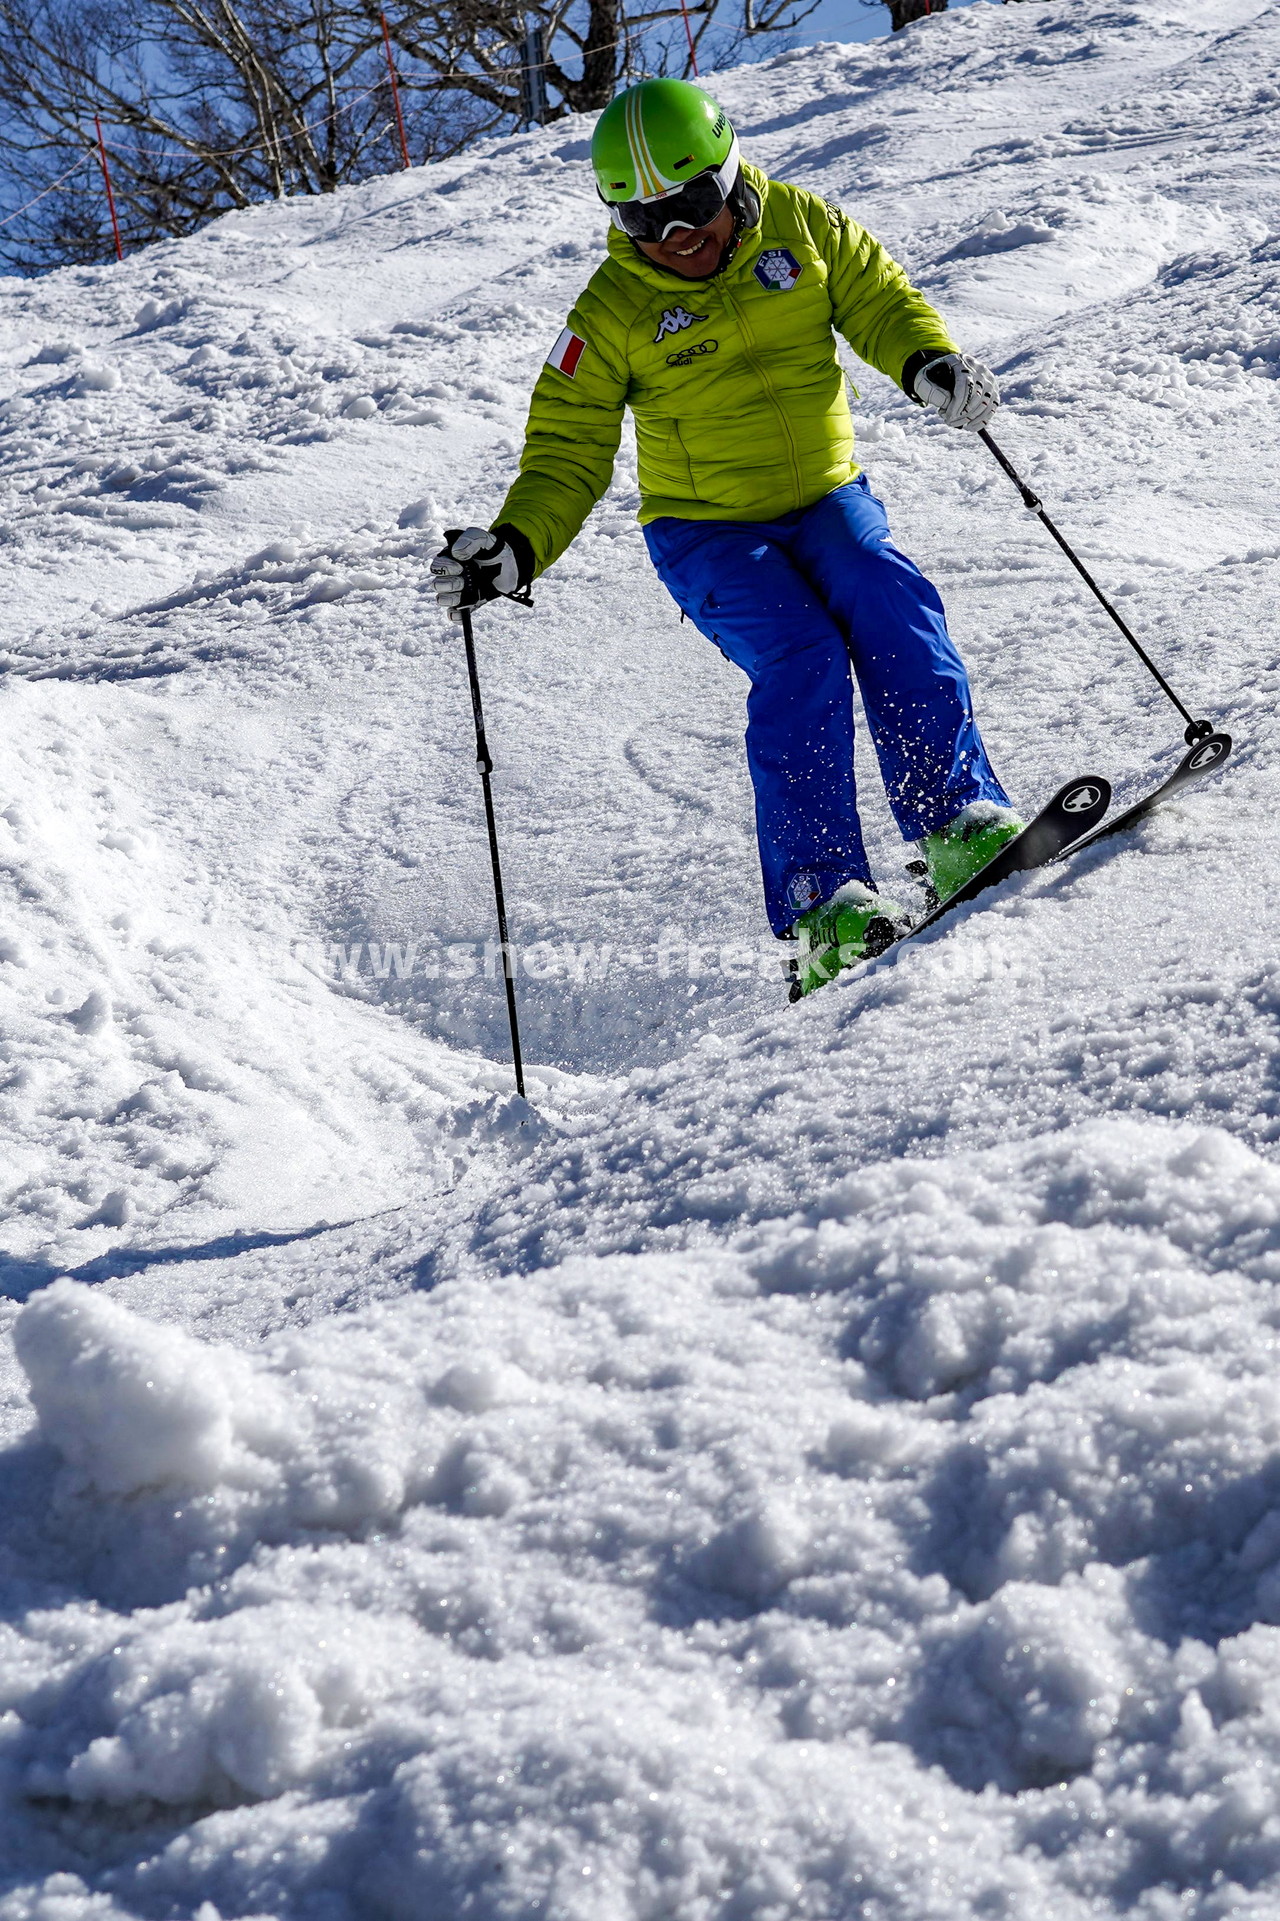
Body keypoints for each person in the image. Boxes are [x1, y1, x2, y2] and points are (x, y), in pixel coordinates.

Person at [432, 78, 1023, 997]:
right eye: (646, 223)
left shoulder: (803, 227)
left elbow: (877, 300)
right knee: (802, 657)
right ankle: (824, 907)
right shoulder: (611, 312)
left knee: (889, 602)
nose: (677, 240)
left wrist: (925, 358)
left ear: (730, 172)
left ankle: (957, 824)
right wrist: (516, 546)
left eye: (692, 207)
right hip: (706, 532)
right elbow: (567, 447)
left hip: (828, 497)